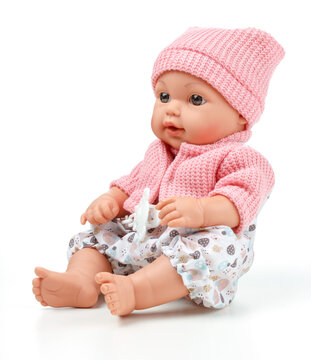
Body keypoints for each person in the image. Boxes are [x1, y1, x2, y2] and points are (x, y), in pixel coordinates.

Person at [32, 27, 285, 316]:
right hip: (145, 242)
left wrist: (202, 210)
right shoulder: (158, 152)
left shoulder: (242, 160)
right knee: (97, 235)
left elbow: (238, 204)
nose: (171, 110)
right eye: (164, 96)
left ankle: (137, 291)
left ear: (241, 114)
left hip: (197, 251)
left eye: (195, 100)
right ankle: (81, 283)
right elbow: (131, 184)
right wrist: (110, 201)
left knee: (212, 247)